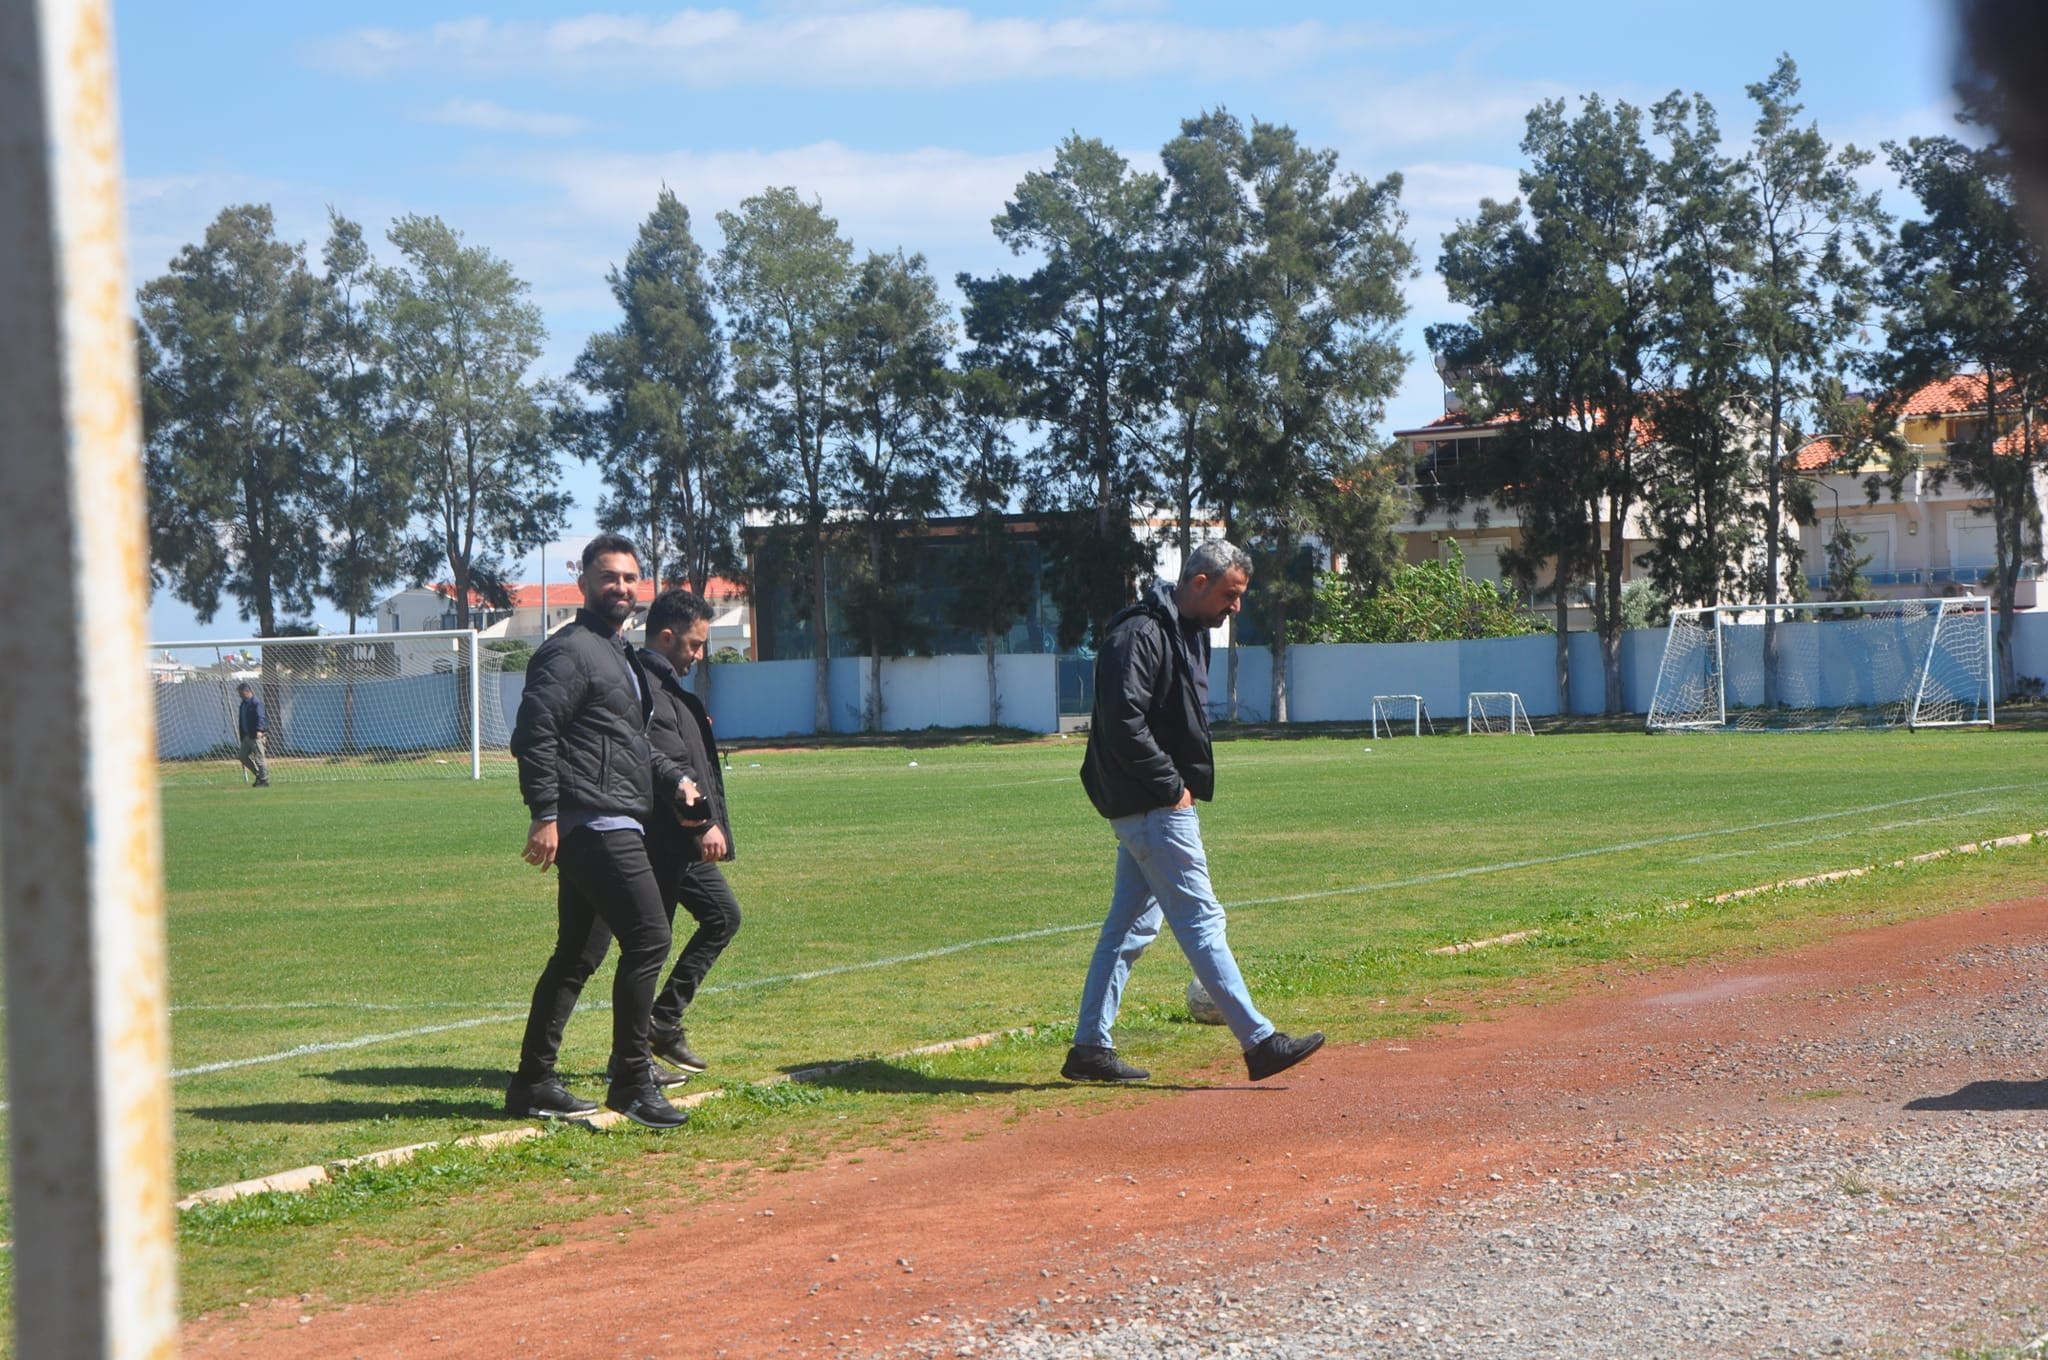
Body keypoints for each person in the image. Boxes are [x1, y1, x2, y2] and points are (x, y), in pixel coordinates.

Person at [1064, 538, 1324, 1085]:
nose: (1237, 608)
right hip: (1155, 807)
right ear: (1200, 582)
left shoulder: (1184, 632)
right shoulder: (1139, 634)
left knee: (1128, 930)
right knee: (1202, 922)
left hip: (1150, 807)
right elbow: (1122, 723)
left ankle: (1089, 1047)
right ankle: (1260, 1042)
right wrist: (1171, 787)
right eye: (1231, 594)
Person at [505, 533, 688, 1130]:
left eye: (631, 578)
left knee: (578, 954)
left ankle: (533, 1083)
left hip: (615, 812)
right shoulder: (570, 652)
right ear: (582, 582)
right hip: (592, 821)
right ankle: (632, 1081)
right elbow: (534, 735)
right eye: (609, 577)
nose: (622, 587)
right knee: (651, 938)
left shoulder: (617, 654)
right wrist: (545, 813)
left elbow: (627, 744)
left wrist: (675, 781)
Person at [638, 587, 743, 1076]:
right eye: (694, 644)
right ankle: (635, 1051)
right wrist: (702, 823)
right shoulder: (647, 689)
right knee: (648, 945)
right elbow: (673, 767)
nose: (699, 654)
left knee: (722, 916)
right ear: (666, 636)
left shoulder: (672, 688)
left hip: (684, 840)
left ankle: (663, 1021)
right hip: (661, 840)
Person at [235, 682, 269, 787]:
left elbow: (261, 717)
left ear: (247, 691)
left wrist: (259, 730)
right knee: (242, 756)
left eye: (240, 693)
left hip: (256, 735)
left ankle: (264, 780)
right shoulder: (243, 704)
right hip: (246, 735)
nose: (239, 695)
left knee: (259, 758)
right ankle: (259, 775)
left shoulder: (256, 703)